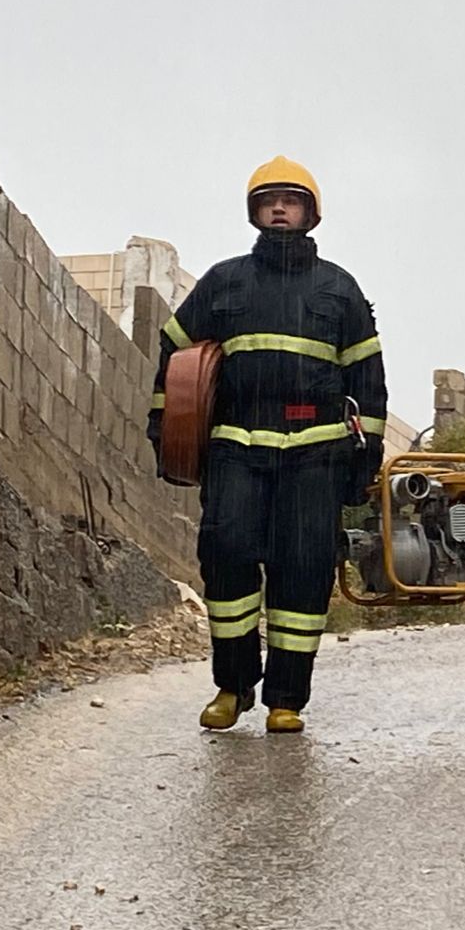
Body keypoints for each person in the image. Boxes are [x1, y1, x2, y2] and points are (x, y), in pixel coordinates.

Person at [148, 156, 387, 733]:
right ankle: (232, 687)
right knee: (226, 556)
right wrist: (164, 427)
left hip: (317, 452)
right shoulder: (224, 282)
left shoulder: (339, 288)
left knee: (303, 569)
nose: (279, 208)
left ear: (310, 214)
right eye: (269, 200)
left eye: (291, 200)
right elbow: (173, 352)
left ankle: (286, 699)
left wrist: (366, 458)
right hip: (236, 446)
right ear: (254, 212)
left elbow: (368, 379)